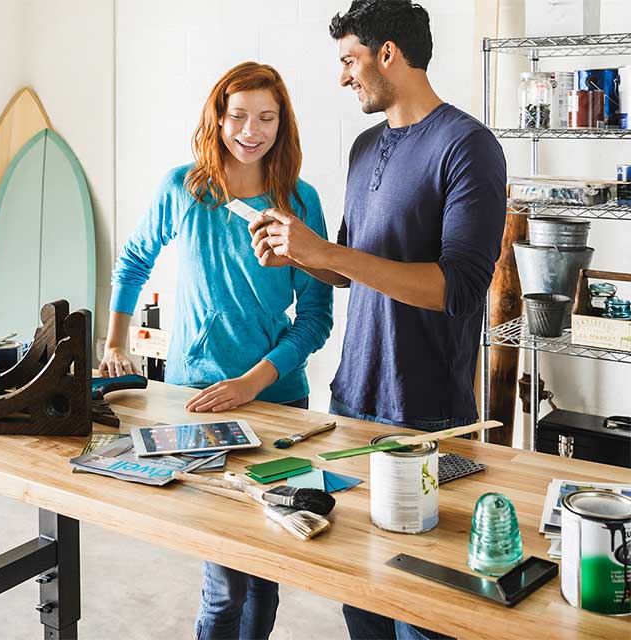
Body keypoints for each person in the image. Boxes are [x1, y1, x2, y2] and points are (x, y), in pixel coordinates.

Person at [249, 2, 506, 639]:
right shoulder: (366, 146)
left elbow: (460, 288)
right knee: (361, 596)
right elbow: (350, 267)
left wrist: (328, 253)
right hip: (353, 401)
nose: (342, 78)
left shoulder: (469, 146)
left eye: (349, 60)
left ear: (387, 53)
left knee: (423, 613)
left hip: (428, 413)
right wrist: (302, 253)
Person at [99, 61, 333, 640]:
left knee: (269, 558)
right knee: (225, 568)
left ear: (284, 124)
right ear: (217, 118)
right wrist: (114, 340)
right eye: (238, 116)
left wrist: (254, 382)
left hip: (280, 402)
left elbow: (315, 319)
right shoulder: (184, 187)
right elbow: (133, 261)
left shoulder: (301, 203)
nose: (251, 130)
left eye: (266, 118)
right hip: (194, 397)